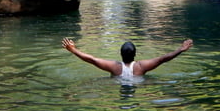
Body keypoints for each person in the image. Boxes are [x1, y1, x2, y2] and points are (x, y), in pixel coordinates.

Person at [61, 38, 193, 77]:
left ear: (120, 54)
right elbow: (162, 59)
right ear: (135, 54)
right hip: (139, 84)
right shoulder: (141, 67)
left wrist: (73, 49)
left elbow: (92, 59)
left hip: (116, 83)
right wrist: (181, 49)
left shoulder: (115, 67)